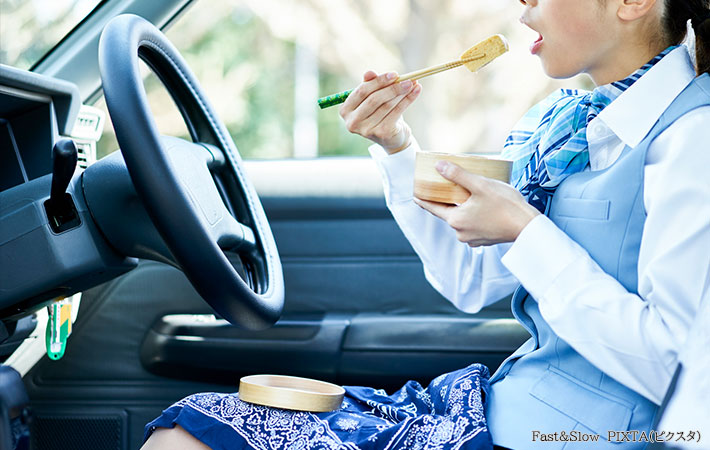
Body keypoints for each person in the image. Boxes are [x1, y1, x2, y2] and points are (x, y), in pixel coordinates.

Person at [141, 0, 710, 449]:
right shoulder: (563, 122)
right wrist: (396, 146)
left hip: (567, 437)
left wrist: (526, 232)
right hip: (503, 404)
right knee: (191, 429)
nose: (523, 4)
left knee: (190, 439)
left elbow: (676, 373)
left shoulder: (692, 139)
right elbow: (471, 281)